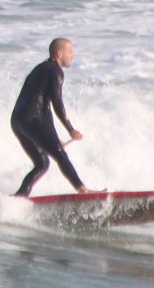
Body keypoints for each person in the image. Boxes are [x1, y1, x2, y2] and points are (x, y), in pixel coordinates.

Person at [11, 37, 97, 197]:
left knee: (42, 163)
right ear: (59, 53)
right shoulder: (55, 71)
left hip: (18, 120)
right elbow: (57, 103)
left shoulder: (40, 69)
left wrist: (54, 137)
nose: (73, 55)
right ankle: (82, 189)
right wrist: (70, 129)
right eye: (70, 52)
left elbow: (44, 107)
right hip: (32, 120)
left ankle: (20, 196)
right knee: (59, 154)